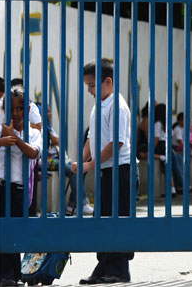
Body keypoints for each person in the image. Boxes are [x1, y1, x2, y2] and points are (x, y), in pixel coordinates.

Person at [72, 58, 135, 284]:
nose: (89, 90)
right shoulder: (100, 104)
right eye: (87, 85)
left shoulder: (117, 106)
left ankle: (118, 268)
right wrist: (82, 160)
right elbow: (92, 137)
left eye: (91, 85)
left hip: (121, 170)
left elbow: (116, 144)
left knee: (116, 219)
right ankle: (105, 266)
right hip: (108, 171)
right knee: (104, 217)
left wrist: (90, 164)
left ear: (108, 81)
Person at [0, 86, 42, 287]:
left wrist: (14, 139)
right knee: (3, 231)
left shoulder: (33, 132)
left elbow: (33, 153)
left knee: (15, 232)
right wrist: (1, 140)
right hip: (0, 186)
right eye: (11, 109)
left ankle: (15, 274)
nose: (15, 114)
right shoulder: (0, 129)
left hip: (19, 189)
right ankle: (5, 275)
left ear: (27, 109)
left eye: (20, 109)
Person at [153, 104, 184, 196]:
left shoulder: (161, 123)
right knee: (172, 163)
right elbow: (161, 138)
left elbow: (159, 138)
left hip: (163, 145)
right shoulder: (161, 123)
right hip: (163, 146)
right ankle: (178, 186)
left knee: (174, 161)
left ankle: (176, 187)